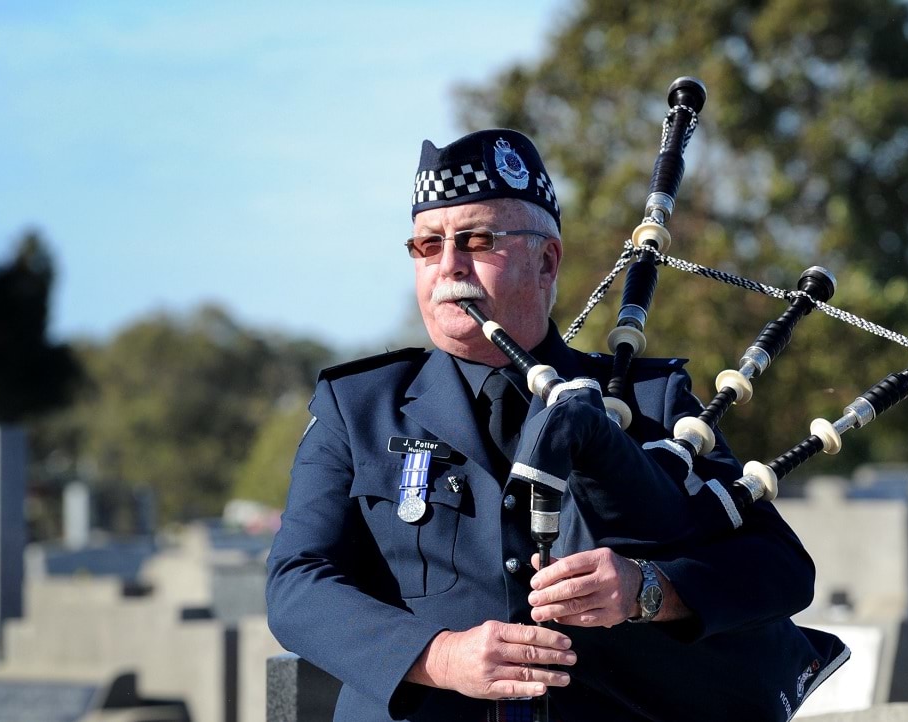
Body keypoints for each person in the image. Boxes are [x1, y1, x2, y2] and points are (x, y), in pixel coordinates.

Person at [267, 129, 846, 722]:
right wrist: (442, 657)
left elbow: (780, 570)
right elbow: (296, 585)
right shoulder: (358, 407)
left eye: (475, 240)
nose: (448, 267)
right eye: (426, 245)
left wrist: (648, 589)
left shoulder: (648, 401)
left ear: (546, 261)